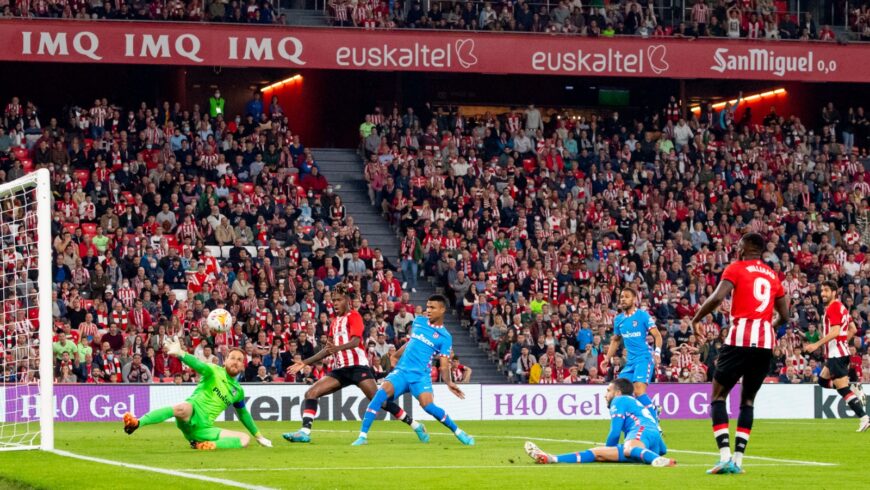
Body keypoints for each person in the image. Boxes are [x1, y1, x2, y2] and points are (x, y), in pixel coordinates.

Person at [692, 233, 789, 475]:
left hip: (739, 338)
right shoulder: (773, 276)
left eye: (738, 245)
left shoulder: (736, 268)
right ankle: (738, 461)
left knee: (717, 396)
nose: (736, 248)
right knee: (748, 401)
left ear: (745, 248)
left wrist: (697, 319)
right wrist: (766, 326)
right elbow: (785, 316)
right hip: (765, 343)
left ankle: (724, 456)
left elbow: (717, 297)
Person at [282, 284, 427, 443]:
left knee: (381, 401)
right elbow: (328, 350)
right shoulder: (334, 322)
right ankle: (304, 432)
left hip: (359, 368)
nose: (334, 303)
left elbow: (356, 341)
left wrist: (337, 348)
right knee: (311, 393)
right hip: (340, 370)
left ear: (346, 300)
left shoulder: (354, 316)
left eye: (338, 300)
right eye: (333, 301)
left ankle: (416, 425)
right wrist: (304, 362)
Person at [352, 294, 474, 446]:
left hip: (420, 377)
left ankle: (459, 432)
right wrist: (396, 355)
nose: (428, 310)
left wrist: (449, 382)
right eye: (427, 307)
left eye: (432, 307)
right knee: (378, 397)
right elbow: (412, 343)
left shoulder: (445, 337)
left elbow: (443, 364)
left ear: (442, 310)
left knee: (428, 407)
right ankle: (362, 436)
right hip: (402, 372)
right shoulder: (418, 321)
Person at [122, 338, 272, 450]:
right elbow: (198, 365)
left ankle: (208, 445)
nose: (235, 362)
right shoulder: (214, 370)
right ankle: (137, 423)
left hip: (204, 429)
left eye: (239, 360)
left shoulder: (238, 391)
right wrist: (181, 354)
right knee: (183, 408)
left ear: (243, 365)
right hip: (189, 415)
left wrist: (259, 436)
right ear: (225, 361)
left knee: (244, 439)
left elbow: (243, 415)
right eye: (232, 358)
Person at [524, 378, 674, 467]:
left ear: (617, 392)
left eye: (608, 391)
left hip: (641, 431)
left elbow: (615, 433)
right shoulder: (633, 403)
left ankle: (656, 461)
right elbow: (663, 449)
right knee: (597, 454)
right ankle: (552, 458)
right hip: (654, 438)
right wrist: (607, 452)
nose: (605, 395)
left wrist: (610, 449)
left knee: (627, 449)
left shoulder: (619, 400)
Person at [804, 281, 868, 431]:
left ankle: (864, 417)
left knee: (842, 390)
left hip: (836, 355)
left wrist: (816, 344)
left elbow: (835, 331)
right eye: (822, 291)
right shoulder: (842, 308)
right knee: (822, 380)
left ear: (834, 292)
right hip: (839, 353)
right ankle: (853, 386)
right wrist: (842, 343)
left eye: (826, 290)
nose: (823, 293)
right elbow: (852, 329)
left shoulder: (833, 307)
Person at [602, 287, 662, 426]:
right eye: (621, 297)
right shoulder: (619, 320)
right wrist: (606, 358)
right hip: (630, 362)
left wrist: (657, 352)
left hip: (644, 358)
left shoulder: (643, 316)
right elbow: (616, 340)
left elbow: (657, 335)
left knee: (639, 390)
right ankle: (651, 410)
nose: (623, 299)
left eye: (627, 296)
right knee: (619, 391)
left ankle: (654, 426)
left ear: (634, 299)